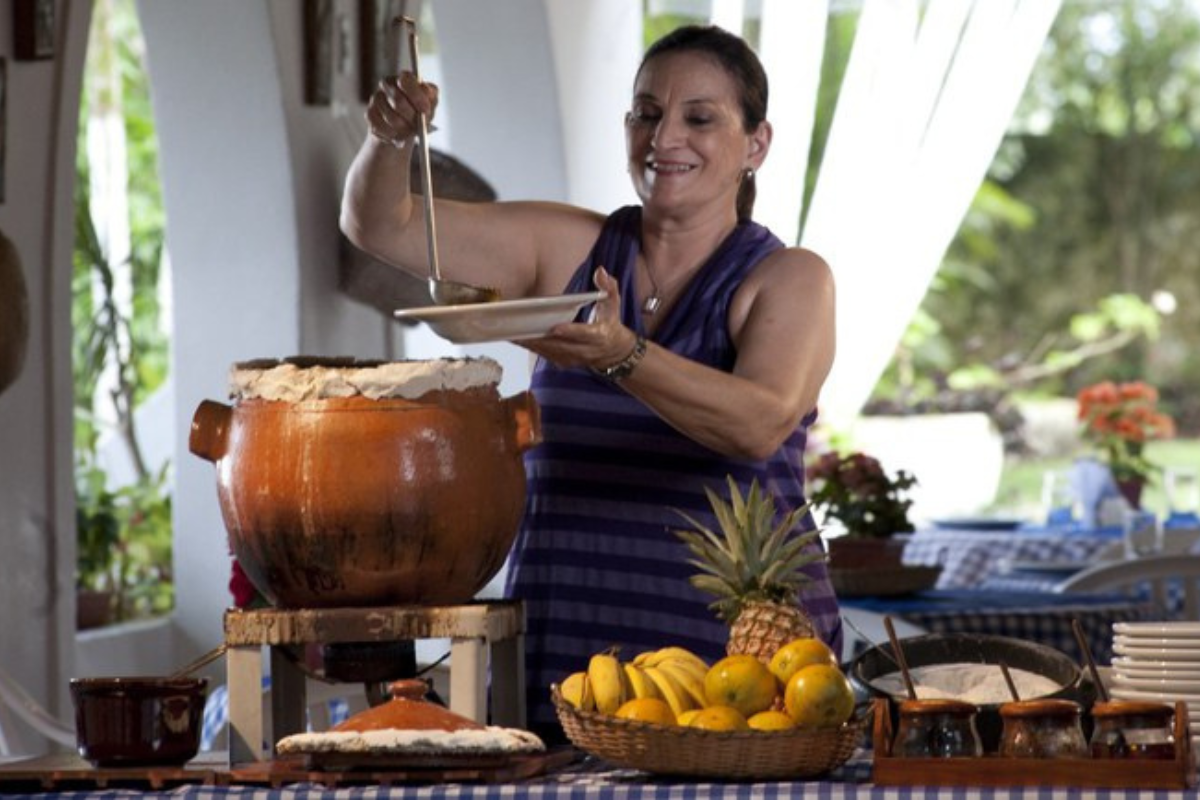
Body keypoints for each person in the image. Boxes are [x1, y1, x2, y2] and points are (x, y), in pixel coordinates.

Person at [341, 23, 841, 736]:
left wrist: (621, 354)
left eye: (700, 118)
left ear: (756, 144)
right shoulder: (570, 248)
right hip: (568, 648)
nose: (664, 137)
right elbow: (380, 225)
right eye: (646, 113)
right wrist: (390, 142)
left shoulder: (789, 278)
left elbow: (757, 424)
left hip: (739, 667)